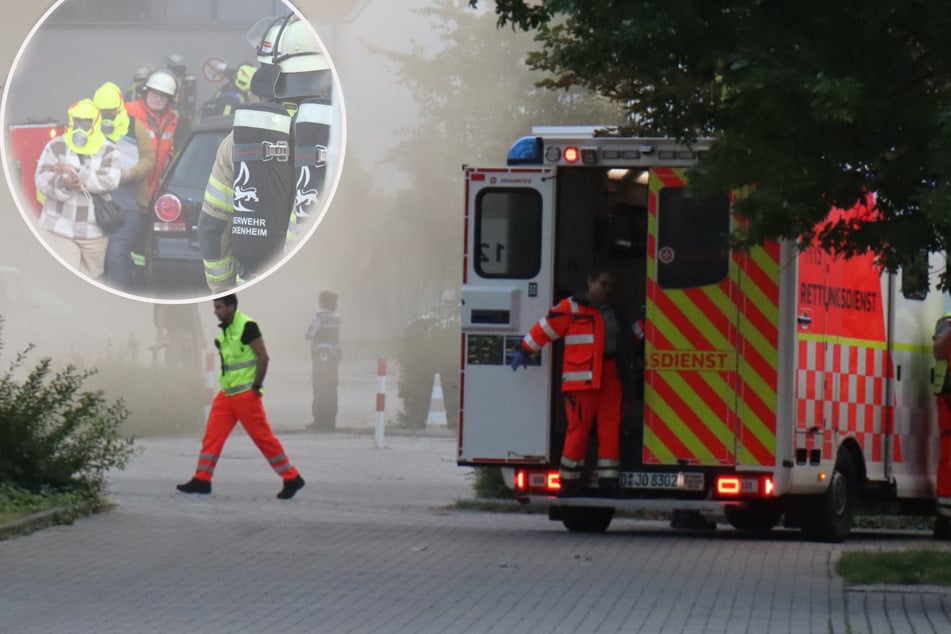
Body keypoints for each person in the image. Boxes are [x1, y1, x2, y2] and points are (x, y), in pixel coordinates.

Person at [198, 13, 333, 293]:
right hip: (327, 290)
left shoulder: (240, 140)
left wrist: (222, 292)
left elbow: (212, 226)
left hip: (259, 290)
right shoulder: (344, 135)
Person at [511, 265, 637, 497]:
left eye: (610, 285)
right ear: (590, 283)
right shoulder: (570, 308)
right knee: (578, 430)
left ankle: (609, 481)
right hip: (582, 381)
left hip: (611, 376)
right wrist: (524, 349)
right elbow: (545, 328)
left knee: (610, 429)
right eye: (603, 284)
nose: (607, 289)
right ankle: (568, 483)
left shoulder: (616, 311)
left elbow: (635, 334)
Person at [177, 294, 305, 499]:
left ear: (231, 307)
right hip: (227, 395)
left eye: (219, 307)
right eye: (215, 307)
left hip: (246, 395)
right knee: (212, 437)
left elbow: (264, 357)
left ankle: (291, 477)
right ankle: (202, 479)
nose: (215, 311)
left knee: (263, 438)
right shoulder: (226, 331)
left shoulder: (247, 326)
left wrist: (256, 387)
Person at [34, 99, 120, 279]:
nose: (81, 126)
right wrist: (65, 183)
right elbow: (41, 178)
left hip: (94, 231)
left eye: (87, 121)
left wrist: (79, 174)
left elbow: (111, 180)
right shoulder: (56, 146)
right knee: (66, 279)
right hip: (59, 228)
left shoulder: (108, 149)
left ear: (95, 123)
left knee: (93, 282)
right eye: (78, 120)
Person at [94, 81, 157, 292]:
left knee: (116, 252)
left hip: (129, 204)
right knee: (97, 255)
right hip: (99, 205)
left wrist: (130, 173)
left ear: (119, 107)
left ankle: (119, 298)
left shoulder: (135, 127)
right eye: (102, 112)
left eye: (110, 112)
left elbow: (149, 160)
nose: (107, 117)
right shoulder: (90, 127)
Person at [124, 68, 179, 281]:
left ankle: (139, 278)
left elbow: (168, 149)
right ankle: (131, 279)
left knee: (141, 241)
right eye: (154, 93)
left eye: (163, 95)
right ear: (145, 92)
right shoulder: (129, 111)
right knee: (127, 238)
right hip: (129, 189)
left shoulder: (171, 119)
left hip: (153, 190)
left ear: (169, 99)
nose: (157, 98)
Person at [306, 290, 341, 431]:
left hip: (320, 355)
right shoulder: (337, 318)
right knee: (332, 387)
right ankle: (331, 420)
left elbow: (309, 334)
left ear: (321, 302)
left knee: (319, 387)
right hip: (334, 356)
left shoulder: (319, 317)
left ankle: (319, 420)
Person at [932, 312, 951, 540]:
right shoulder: (946, 324)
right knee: (949, 462)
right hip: (949, 403)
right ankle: (946, 520)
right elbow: (939, 352)